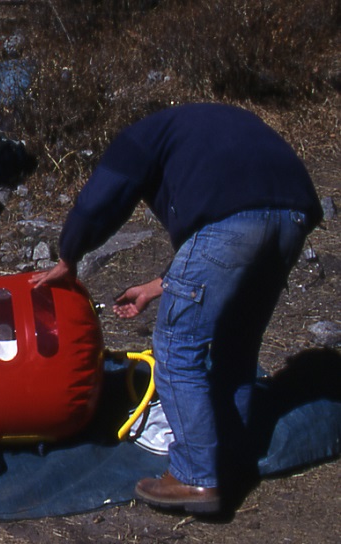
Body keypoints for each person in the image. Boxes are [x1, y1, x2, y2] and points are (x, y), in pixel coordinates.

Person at [30, 103, 323, 515]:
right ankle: (232, 461)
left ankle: (193, 477)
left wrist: (69, 255)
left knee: (176, 348)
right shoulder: (210, 128)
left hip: (229, 223)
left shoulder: (139, 137)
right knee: (235, 347)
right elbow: (232, 235)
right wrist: (157, 286)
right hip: (292, 218)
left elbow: (102, 197)